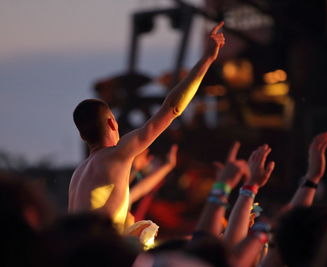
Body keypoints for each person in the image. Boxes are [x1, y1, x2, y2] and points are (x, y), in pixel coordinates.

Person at [68, 22, 226, 233]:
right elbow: (172, 109)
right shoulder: (116, 155)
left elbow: (130, 195)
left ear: (81, 135)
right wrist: (208, 59)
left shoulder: (78, 174)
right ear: (111, 123)